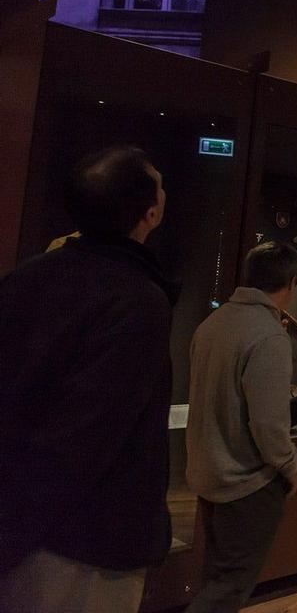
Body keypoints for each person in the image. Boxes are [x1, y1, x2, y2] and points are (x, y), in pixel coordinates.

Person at [0, 146, 174, 612]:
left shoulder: (26, 277)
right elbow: (88, 434)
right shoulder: (139, 301)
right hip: (87, 539)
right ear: (150, 213)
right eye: (159, 186)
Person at [185, 241, 297, 613]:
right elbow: (269, 424)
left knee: (216, 577)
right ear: (292, 282)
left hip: (209, 474)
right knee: (230, 588)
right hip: (247, 482)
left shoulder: (212, 324)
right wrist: (289, 465)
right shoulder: (268, 336)